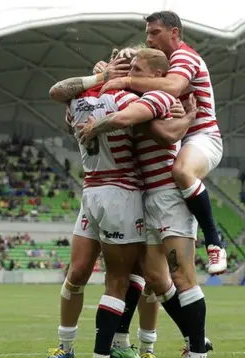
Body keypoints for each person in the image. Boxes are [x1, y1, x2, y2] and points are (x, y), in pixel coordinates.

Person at [46, 48, 190, 358]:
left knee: (118, 275)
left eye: (131, 64)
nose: (125, 68)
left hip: (109, 192)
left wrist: (184, 114)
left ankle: (120, 347)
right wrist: (102, 78)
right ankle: (82, 348)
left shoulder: (103, 101)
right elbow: (59, 92)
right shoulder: (107, 97)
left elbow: (61, 95)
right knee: (105, 274)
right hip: (109, 191)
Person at [79, 48, 212, 358]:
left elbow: (162, 133)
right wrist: (103, 75)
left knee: (179, 277)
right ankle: (178, 341)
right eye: (130, 68)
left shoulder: (160, 97)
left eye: (137, 69)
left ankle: (194, 352)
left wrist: (190, 116)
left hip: (167, 195)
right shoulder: (133, 94)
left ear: (156, 76)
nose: (131, 74)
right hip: (141, 195)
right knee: (152, 277)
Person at [96, 10, 227, 275]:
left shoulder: (184, 56)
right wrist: (104, 74)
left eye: (155, 33)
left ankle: (214, 242)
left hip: (202, 137)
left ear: (174, 33)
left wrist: (127, 80)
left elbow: (175, 86)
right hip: (176, 139)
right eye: (147, 33)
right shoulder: (157, 64)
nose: (149, 39)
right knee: (153, 279)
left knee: (182, 171)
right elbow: (128, 72)